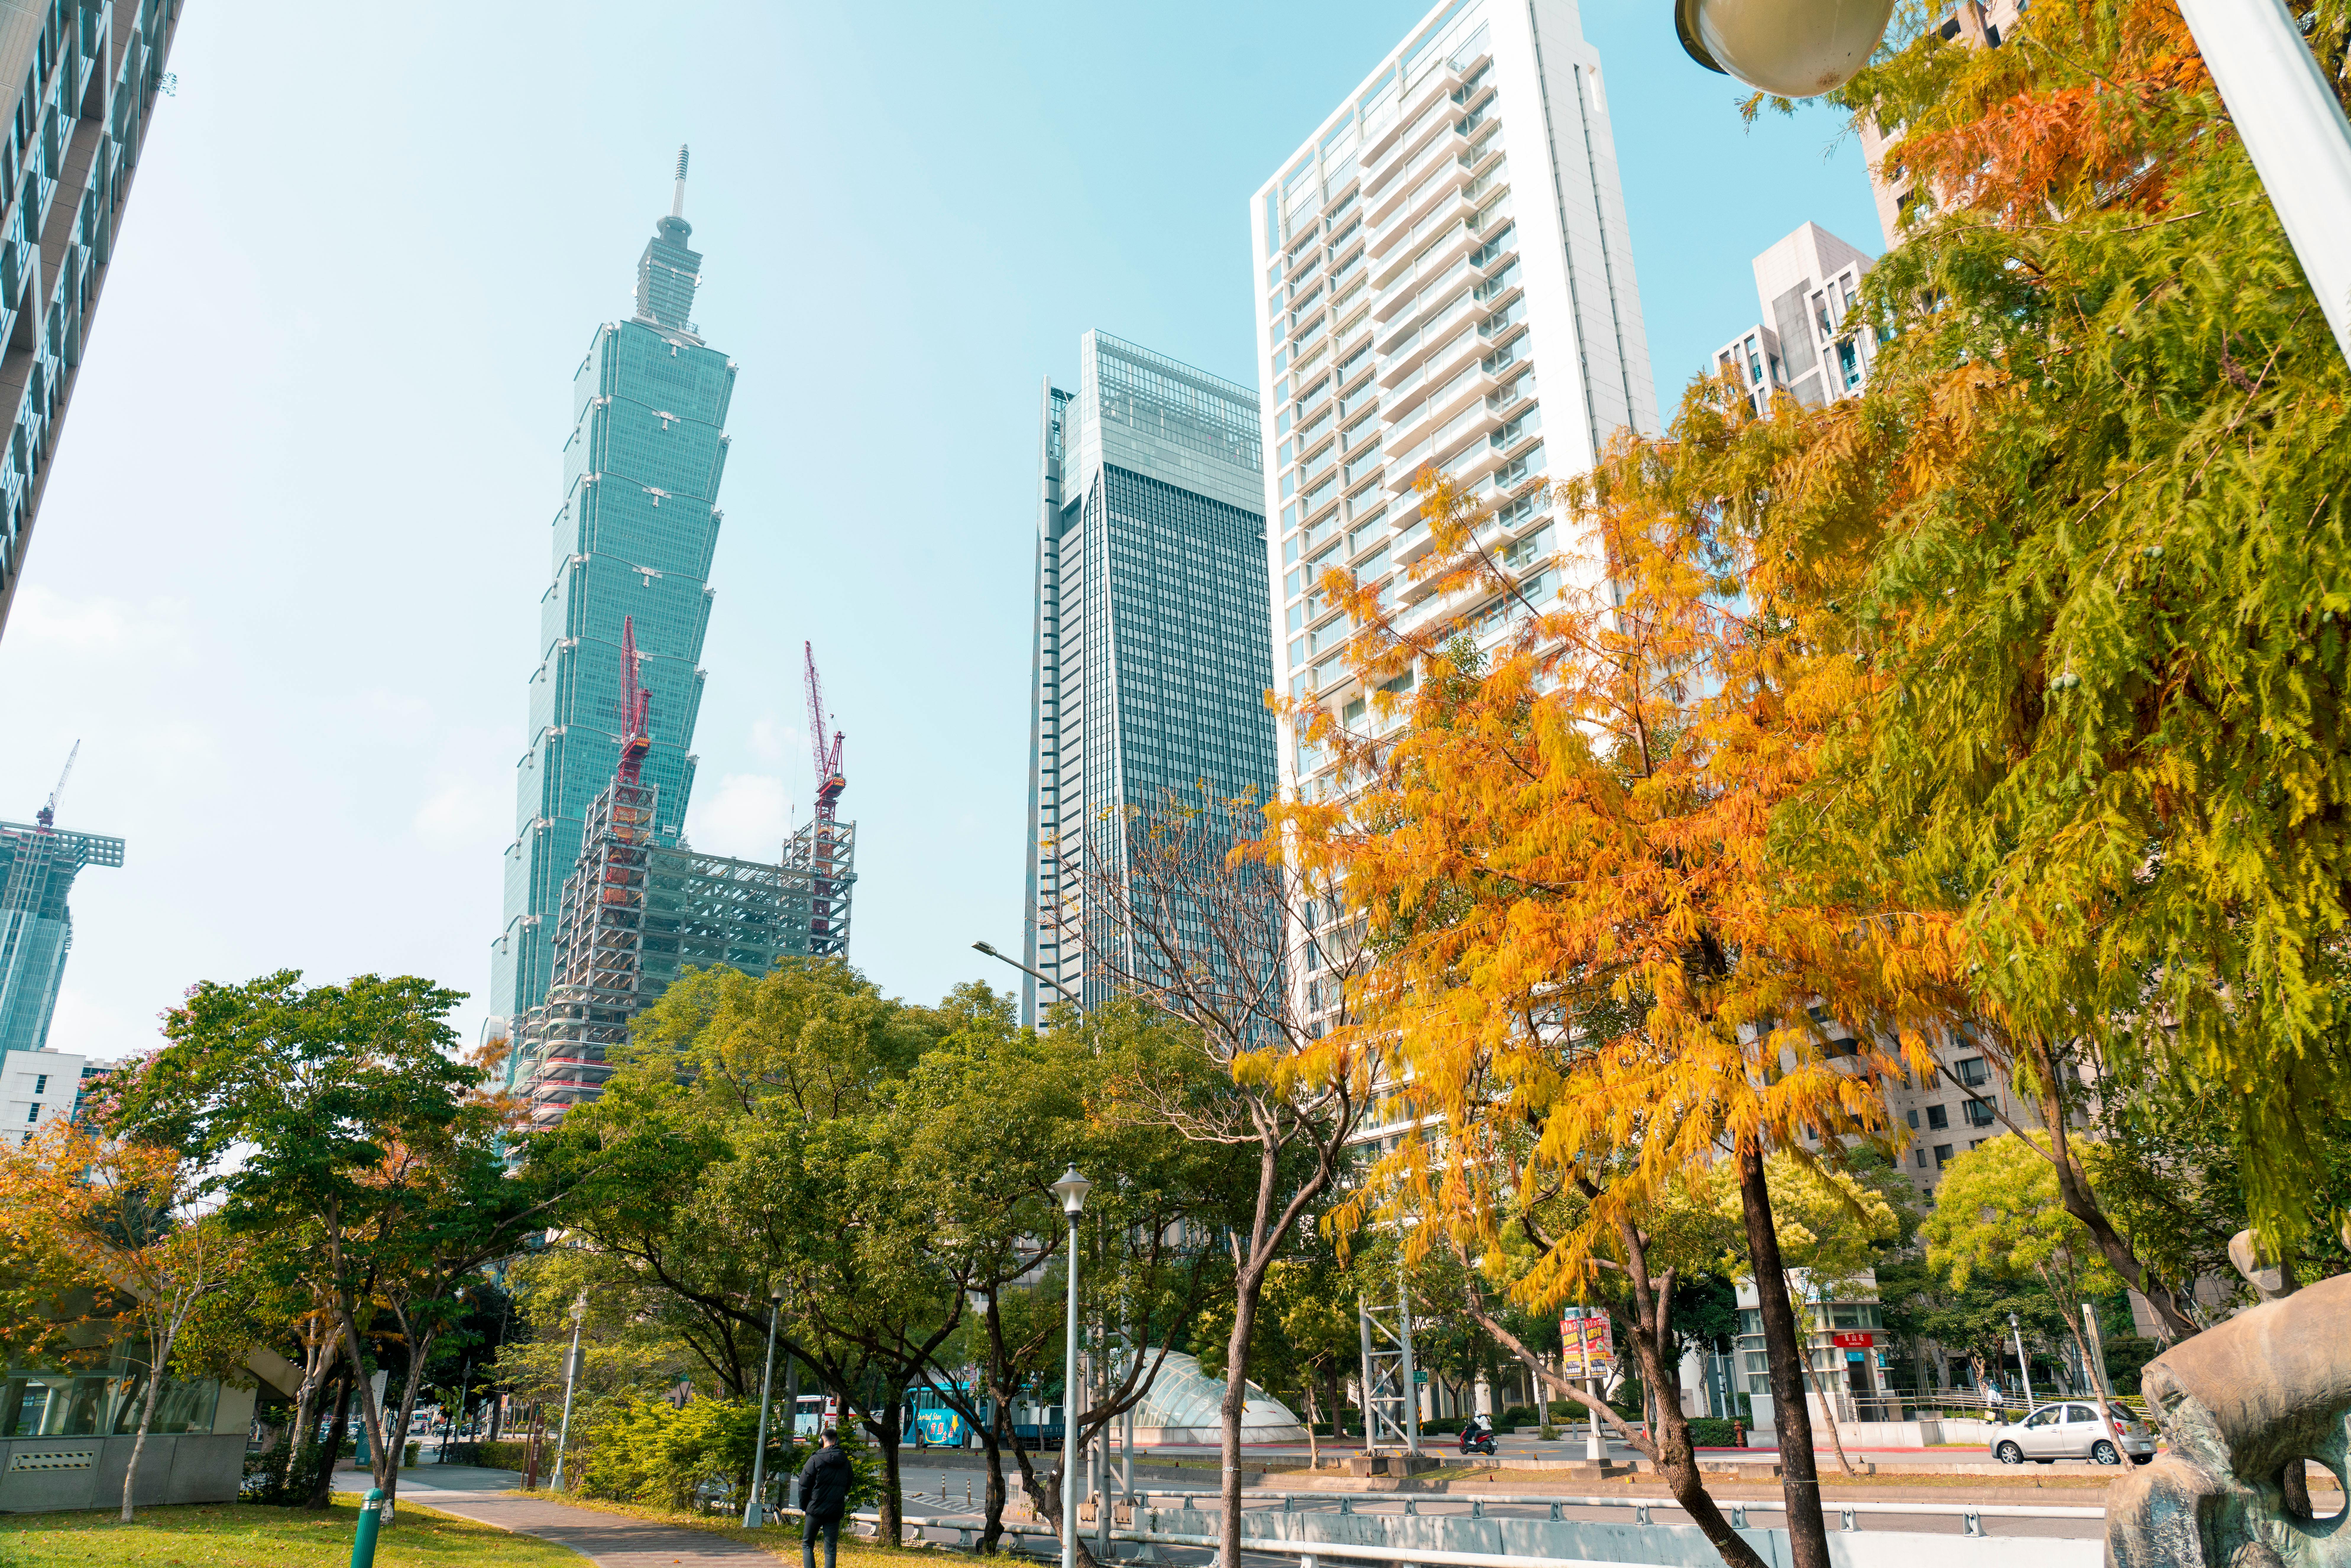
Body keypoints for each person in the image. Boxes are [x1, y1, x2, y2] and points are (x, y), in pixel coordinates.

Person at [796, 1427, 854, 1568]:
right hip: (835, 1511)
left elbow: (803, 1486)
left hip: (815, 1510)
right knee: (830, 1549)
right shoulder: (845, 1461)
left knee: (808, 1544)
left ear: (821, 1441)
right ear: (837, 1441)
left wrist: (805, 1507)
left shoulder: (815, 1459)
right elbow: (848, 1484)